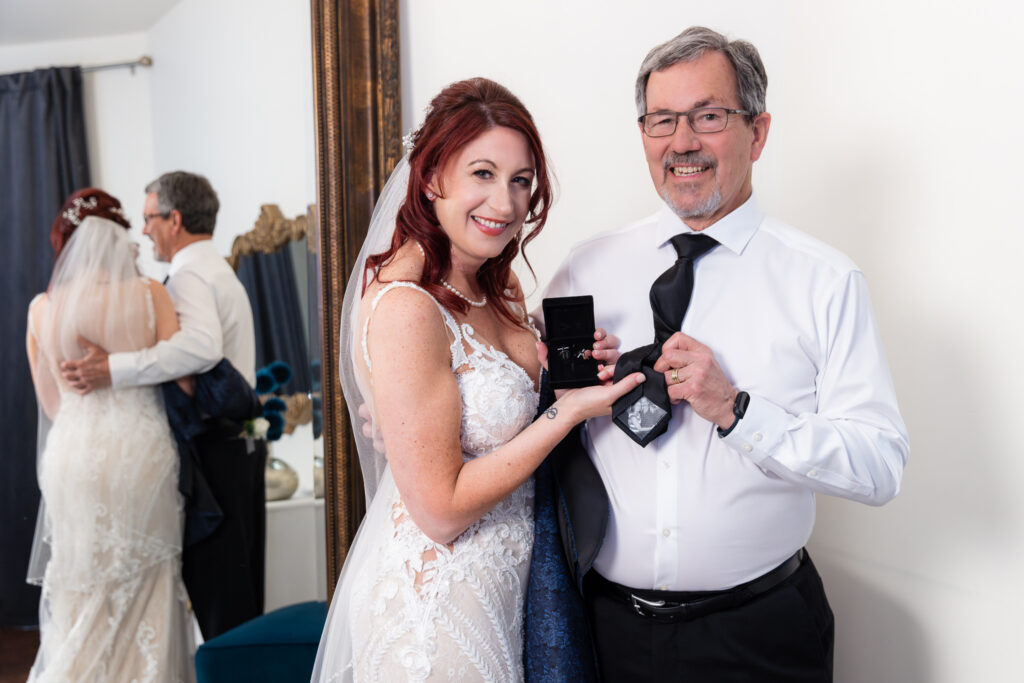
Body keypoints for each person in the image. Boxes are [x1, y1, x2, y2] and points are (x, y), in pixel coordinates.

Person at [537, 27, 910, 680]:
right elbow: (539, 429)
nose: (682, 142)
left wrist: (736, 408)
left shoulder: (825, 281)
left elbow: (879, 465)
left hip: (761, 635)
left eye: (708, 116)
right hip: (605, 633)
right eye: (662, 120)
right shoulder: (583, 271)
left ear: (758, 132)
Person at [311, 77, 642, 682]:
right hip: (439, 606)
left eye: (520, 181)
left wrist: (559, 365)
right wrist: (564, 414)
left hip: (513, 585)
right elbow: (439, 510)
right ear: (433, 177)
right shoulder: (407, 307)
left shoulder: (498, 284)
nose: (507, 204)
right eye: (483, 174)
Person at [59, 171, 263, 639]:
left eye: (149, 217)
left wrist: (113, 369)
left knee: (222, 607)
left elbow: (201, 348)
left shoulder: (189, 275)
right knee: (236, 599)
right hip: (234, 451)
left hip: (215, 453)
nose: (144, 228)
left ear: (174, 219)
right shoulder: (214, 268)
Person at [25, 188, 195, 681]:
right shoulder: (150, 294)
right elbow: (182, 379)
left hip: (73, 454)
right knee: (147, 580)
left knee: (81, 583)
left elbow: (51, 403)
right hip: (138, 450)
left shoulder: (42, 309)